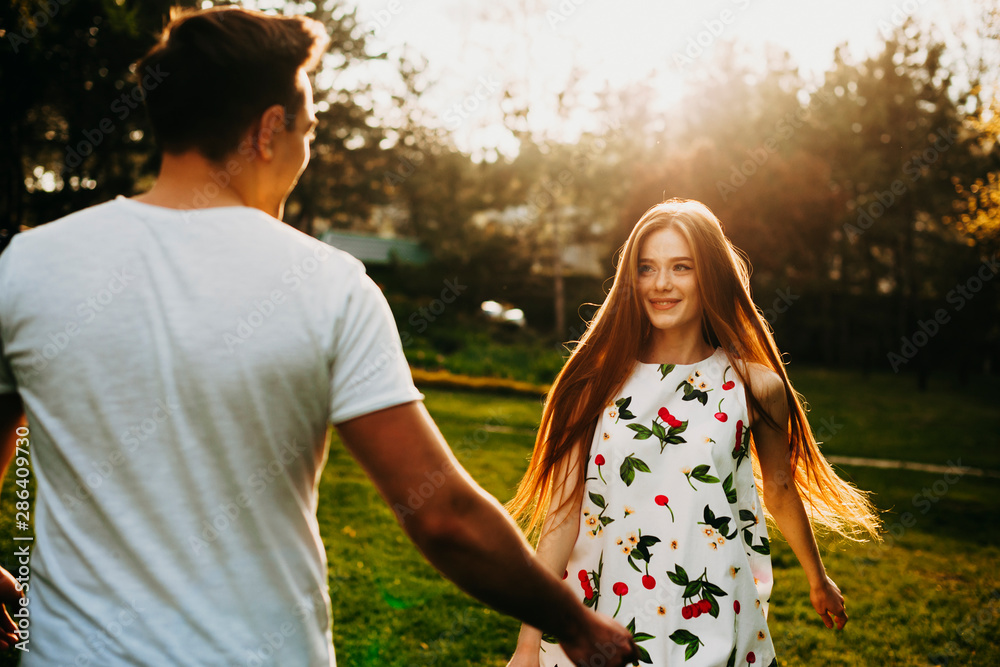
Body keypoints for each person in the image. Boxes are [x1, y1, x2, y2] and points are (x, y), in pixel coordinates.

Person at [0, 7, 640, 666]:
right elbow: (441, 514)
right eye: (308, 129)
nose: (308, 150)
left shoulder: (28, 265)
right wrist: (576, 622)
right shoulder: (327, 286)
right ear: (269, 130)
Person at [505, 199, 882, 666]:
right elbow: (560, 519)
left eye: (681, 267)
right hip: (601, 611)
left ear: (710, 276)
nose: (661, 283)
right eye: (647, 268)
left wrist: (817, 578)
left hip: (713, 611)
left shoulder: (755, 387)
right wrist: (526, 645)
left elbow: (780, 488)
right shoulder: (593, 385)